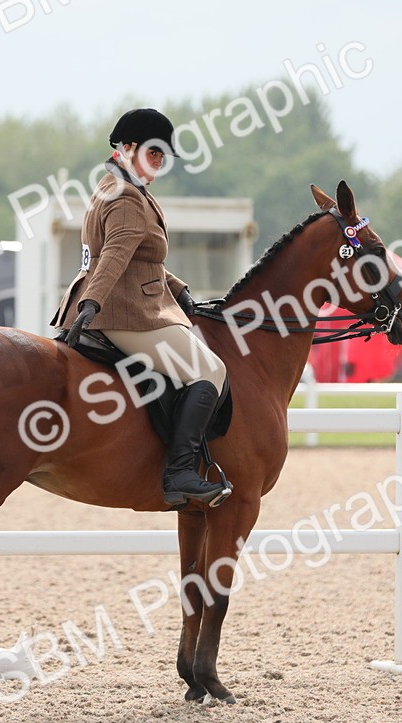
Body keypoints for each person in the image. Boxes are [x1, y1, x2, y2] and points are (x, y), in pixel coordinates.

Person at [51, 108, 231, 507]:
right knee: (211, 370)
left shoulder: (111, 186)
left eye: (162, 157)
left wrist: (180, 290)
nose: (159, 163)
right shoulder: (128, 196)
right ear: (127, 148)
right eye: (154, 154)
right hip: (123, 311)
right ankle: (180, 472)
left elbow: (139, 258)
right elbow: (114, 255)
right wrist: (92, 302)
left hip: (126, 301)